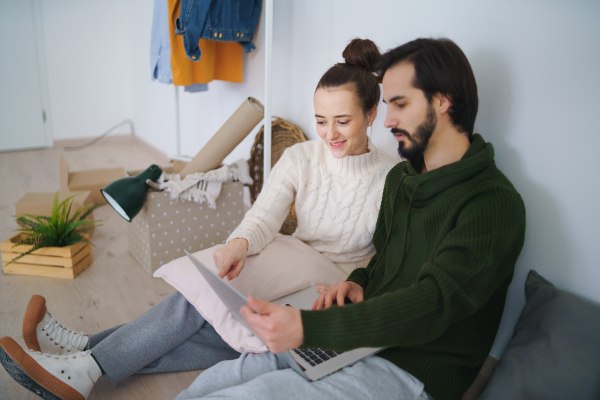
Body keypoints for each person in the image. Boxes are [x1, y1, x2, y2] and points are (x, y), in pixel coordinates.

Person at [0, 39, 396, 400]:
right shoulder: (301, 157)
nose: (329, 134)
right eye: (321, 120)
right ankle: (84, 362)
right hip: (290, 260)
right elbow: (263, 214)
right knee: (208, 307)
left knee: (219, 328)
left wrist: (353, 285)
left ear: (372, 113)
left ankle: (85, 353)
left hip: (331, 288)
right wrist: (239, 243)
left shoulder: (394, 176)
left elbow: (391, 254)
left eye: (342, 121)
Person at [168, 37, 527, 400]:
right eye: (387, 106)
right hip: (356, 340)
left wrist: (313, 327)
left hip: (408, 370)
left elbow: (433, 303)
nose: (388, 121)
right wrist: (358, 282)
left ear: (443, 100)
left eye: (400, 104)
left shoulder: (492, 203)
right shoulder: (404, 180)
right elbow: (383, 261)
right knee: (219, 381)